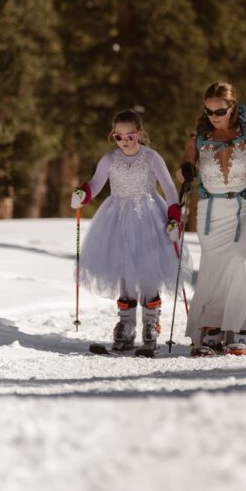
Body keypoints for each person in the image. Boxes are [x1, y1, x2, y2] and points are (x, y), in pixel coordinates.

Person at [70, 109, 189, 352]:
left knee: (147, 268)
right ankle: (126, 326)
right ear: (113, 136)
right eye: (119, 137)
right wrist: (83, 193)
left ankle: (150, 324)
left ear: (140, 134)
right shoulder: (109, 160)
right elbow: (95, 182)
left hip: (148, 216)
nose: (124, 141)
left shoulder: (151, 158)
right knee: (123, 267)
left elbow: (169, 190)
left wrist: (174, 219)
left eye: (130, 137)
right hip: (116, 217)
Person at [177, 81, 246, 356]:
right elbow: (183, 167)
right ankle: (212, 328)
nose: (214, 116)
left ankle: (240, 329)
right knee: (213, 265)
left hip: (244, 205)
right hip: (211, 212)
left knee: (241, 256)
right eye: (209, 111)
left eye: (219, 111)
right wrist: (186, 170)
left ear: (232, 107)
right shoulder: (199, 138)